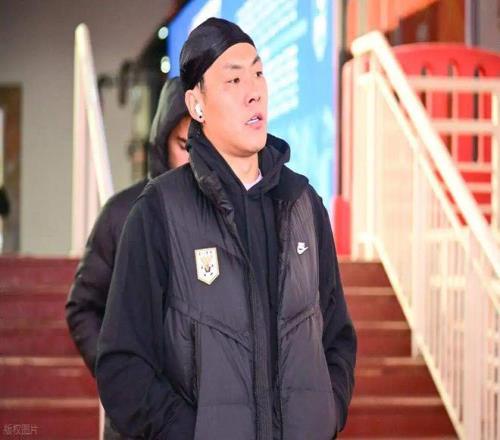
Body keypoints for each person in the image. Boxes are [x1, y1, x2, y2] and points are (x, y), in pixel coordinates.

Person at [96, 18, 356, 440]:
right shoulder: (159, 212)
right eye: (233, 80)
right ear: (196, 104)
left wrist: (326, 413)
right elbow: (122, 365)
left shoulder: (304, 205)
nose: (254, 91)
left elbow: (337, 337)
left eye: (258, 73)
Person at [65, 77, 190, 439]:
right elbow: (82, 307)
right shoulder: (123, 213)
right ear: (162, 141)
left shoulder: (227, 216)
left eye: (204, 145)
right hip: (135, 422)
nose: (194, 158)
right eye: (184, 145)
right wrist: (121, 377)